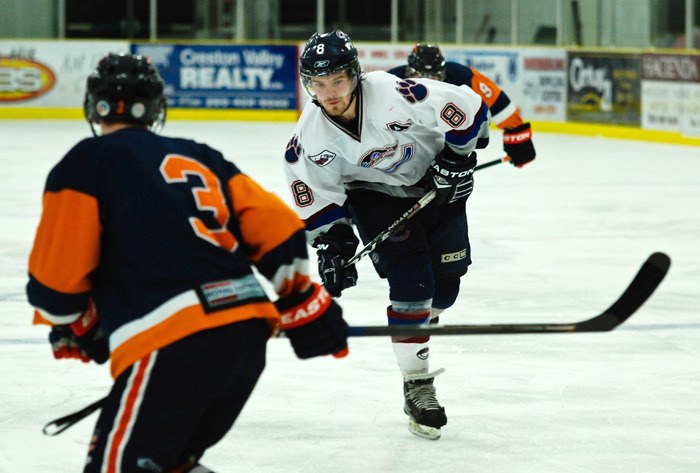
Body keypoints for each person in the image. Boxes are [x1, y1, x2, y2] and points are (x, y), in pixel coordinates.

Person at [26, 52, 349, 473]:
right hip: (246, 335)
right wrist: (298, 296)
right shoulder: (201, 155)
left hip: (171, 342)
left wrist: (74, 321)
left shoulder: (86, 161)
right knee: (171, 462)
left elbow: (56, 287)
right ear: (156, 108)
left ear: (94, 107)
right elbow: (279, 227)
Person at [283, 30, 490, 440]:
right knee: (413, 283)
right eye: (318, 84)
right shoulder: (309, 138)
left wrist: (456, 158)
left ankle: (414, 329)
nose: (330, 94)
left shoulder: (397, 92)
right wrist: (333, 244)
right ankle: (417, 384)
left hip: (437, 187)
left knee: (443, 292)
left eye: (338, 81)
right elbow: (316, 195)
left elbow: (468, 107)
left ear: (355, 75)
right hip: (372, 197)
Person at [388, 43, 536, 168]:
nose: (427, 81)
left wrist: (517, 135)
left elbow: (497, 101)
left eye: (434, 76)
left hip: (449, 148)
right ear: (408, 71)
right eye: (419, 75)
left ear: (443, 72)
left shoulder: (460, 75)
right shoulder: (392, 80)